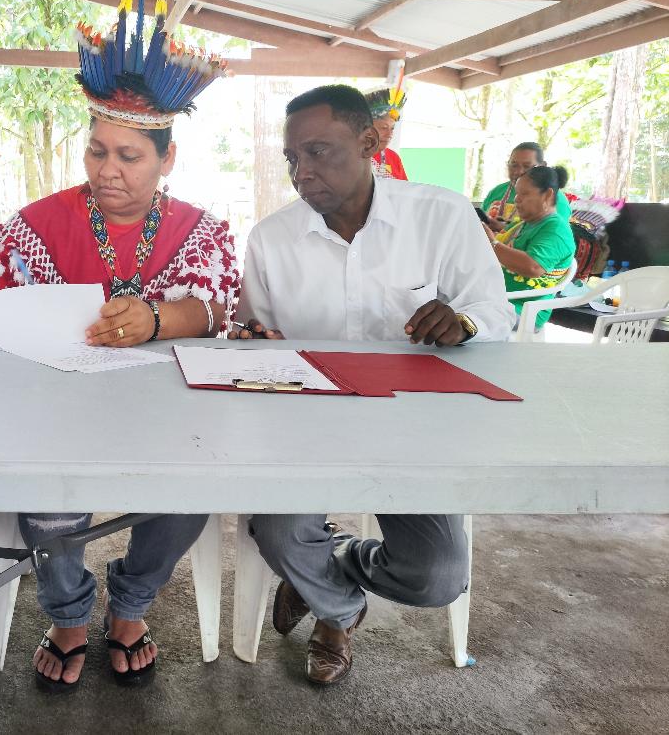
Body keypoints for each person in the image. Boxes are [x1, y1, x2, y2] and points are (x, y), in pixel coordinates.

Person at [0, 0, 238, 692]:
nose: (107, 168)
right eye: (96, 149)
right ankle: (69, 614)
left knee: (195, 484)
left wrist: (154, 318)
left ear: (167, 156)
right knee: (47, 488)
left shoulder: (201, 228)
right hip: (57, 403)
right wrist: (26, 308)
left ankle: (133, 604)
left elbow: (214, 311)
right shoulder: (40, 220)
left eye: (128, 154)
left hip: (163, 412)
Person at [231, 84, 512, 686]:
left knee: (437, 574)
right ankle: (339, 611)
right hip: (306, 426)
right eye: (291, 159)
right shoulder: (272, 239)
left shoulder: (441, 216)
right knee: (278, 531)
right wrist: (253, 341)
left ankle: (332, 568)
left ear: (369, 142)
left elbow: (496, 313)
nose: (302, 173)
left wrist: (463, 322)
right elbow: (255, 337)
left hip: (413, 430)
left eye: (318, 152)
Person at [485, 165, 577, 330]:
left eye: (524, 194)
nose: (517, 200)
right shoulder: (525, 224)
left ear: (547, 195)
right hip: (497, 300)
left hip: (523, 311)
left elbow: (533, 267)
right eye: (517, 194)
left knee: (456, 315)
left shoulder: (556, 230)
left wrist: (492, 243)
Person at [482, 142, 570, 233]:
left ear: (542, 166)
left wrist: (503, 229)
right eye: (514, 165)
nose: (519, 172)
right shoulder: (497, 191)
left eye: (527, 166)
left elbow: (549, 236)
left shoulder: (554, 199)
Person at [365, 87, 407, 180]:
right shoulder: (353, 156)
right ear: (367, 127)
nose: (389, 134)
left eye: (392, 128)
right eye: (384, 128)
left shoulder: (393, 158)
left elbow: (404, 190)